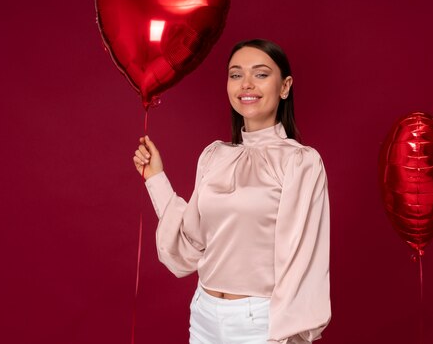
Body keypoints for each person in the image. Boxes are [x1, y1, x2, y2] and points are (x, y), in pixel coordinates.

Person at [132, 39, 331, 344]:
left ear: (284, 86)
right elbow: (190, 243)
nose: (246, 84)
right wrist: (155, 178)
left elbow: (302, 259)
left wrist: (287, 337)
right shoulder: (214, 156)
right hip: (204, 315)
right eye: (236, 75)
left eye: (261, 74)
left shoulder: (300, 162)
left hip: (261, 323)